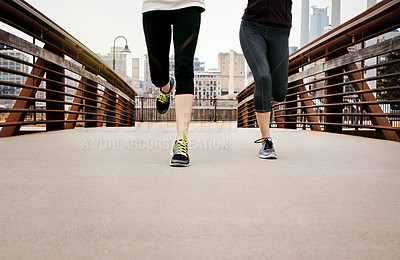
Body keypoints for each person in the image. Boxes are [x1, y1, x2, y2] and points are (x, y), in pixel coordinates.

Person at [142, 0, 205, 167]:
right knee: (157, 74)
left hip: (189, 4)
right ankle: (166, 86)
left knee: (184, 68)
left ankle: (181, 141)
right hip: (155, 5)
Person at [239, 0, 292, 159]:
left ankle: (266, 106)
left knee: (279, 93)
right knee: (262, 77)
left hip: (280, 30)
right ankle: (266, 141)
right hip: (252, 26)